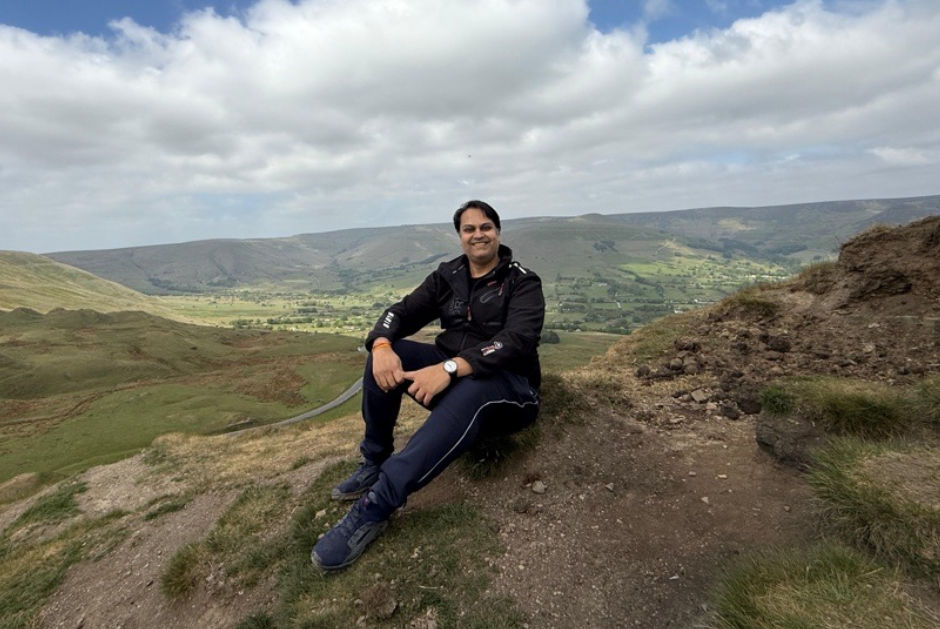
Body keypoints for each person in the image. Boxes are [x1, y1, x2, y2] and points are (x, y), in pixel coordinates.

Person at [311, 200, 544, 571]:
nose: (478, 235)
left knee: (473, 390)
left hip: (510, 389)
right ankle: (375, 459)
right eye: (469, 229)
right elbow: (400, 312)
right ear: (460, 236)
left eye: (486, 227)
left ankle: (376, 506)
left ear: (498, 232)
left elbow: (517, 339)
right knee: (389, 357)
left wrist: (450, 367)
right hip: (453, 377)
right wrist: (381, 345)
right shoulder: (448, 276)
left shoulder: (522, 282)